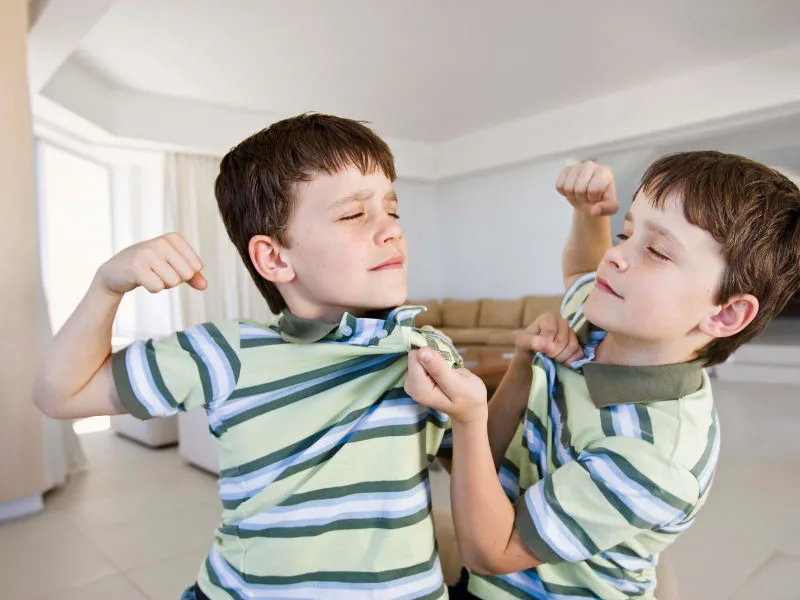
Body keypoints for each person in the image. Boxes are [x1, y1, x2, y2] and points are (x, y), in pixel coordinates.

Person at [34, 113, 464, 600]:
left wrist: (476, 412)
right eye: (353, 214)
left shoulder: (426, 355)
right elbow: (58, 394)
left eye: (392, 210)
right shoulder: (227, 352)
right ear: (275, 259)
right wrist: (105, 287)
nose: (391, 231)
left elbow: (489, 488)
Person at [406, 154, 800, 599]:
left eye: (656, 250)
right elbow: (580, 269)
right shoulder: (593, 320)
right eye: (626, 233)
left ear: (726, 313)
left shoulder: (653, 456)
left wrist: (469, 418)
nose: (614, 256)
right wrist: (589, 213)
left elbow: (492, 551)